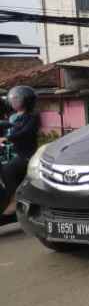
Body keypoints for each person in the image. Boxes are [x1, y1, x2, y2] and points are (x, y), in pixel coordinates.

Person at [0, 86, 40, 226]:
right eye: (13, 98)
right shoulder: (11, 117)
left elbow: (24, 132)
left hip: (27, 155)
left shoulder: (32, 117)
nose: (14, 101)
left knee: (7, 169)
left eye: (17, 98)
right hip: (12, 154)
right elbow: (6, 126)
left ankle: (14, 200)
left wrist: (7, 138)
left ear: (26, 101)